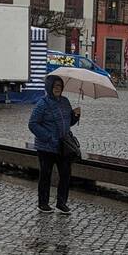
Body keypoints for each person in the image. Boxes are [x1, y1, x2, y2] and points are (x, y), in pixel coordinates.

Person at [29, 74, 80, 214]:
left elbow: (68, 123)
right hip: (46, 147)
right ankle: (43, 203)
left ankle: (61, 202)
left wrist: (75, 116)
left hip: (63, 146)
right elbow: (33, 124)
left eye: (60, 86)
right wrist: (49, 137)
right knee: (46, 174)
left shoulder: (65, 102)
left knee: (65, 174)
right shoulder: (42, 104)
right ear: (49, 87)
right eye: (55, 86)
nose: (58, 88)